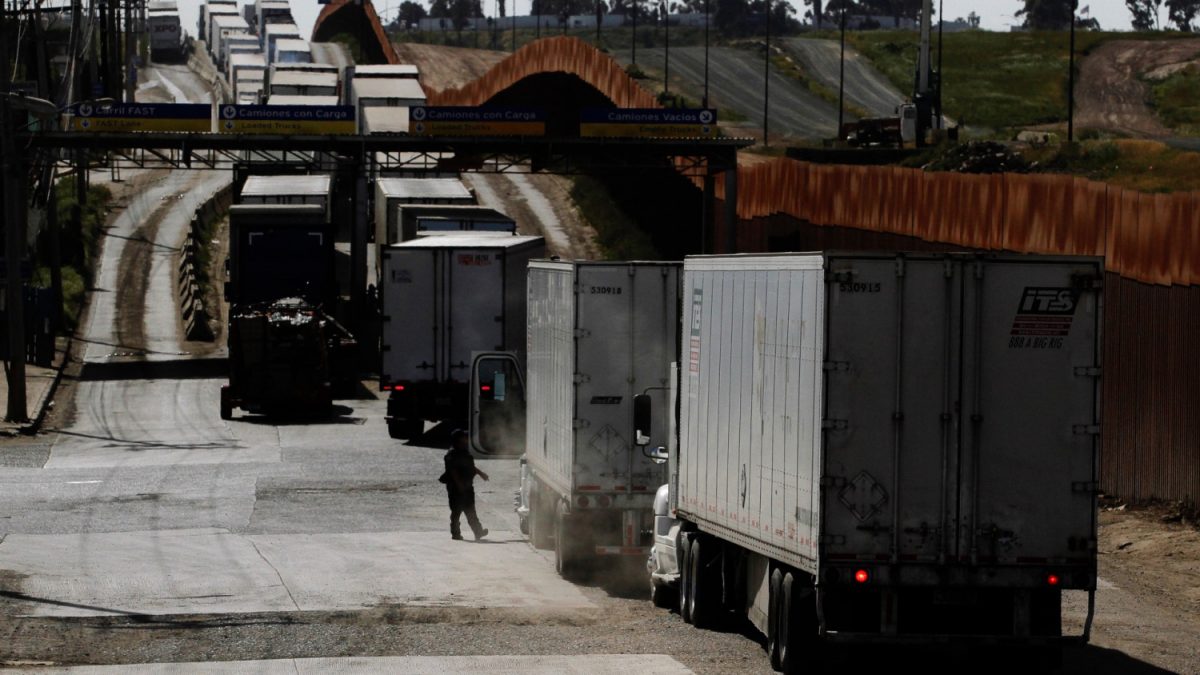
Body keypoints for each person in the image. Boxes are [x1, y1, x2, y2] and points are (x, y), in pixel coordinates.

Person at [440, 429, 489, 541]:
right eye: (464, 437)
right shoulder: (452, 454)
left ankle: (478, 532)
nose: (467, 439)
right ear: (458, 439)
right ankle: (456, 533)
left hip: (467, 485)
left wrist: (481, 474)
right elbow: (453, 471)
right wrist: (460, 485)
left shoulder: (463, 451)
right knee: (456, 511)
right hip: (456, 487)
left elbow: (470, 466)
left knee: (471, 509)